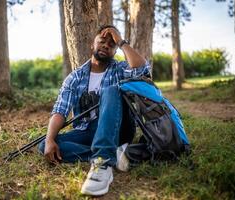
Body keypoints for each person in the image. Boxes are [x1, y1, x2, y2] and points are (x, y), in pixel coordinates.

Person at [38, 25, 151, 196]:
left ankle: (102, 161)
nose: (106, 45)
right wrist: (49, 139)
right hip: (88, 131)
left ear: (114, 51)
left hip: (120, 127)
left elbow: (142, 68)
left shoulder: (119, 69)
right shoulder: (75, 78)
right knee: (45, 145)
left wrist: (120, 41)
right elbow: (60, 111)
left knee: (111, 90)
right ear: (92, 45)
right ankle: (115, 153)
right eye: (102, 41)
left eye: (111, 44)